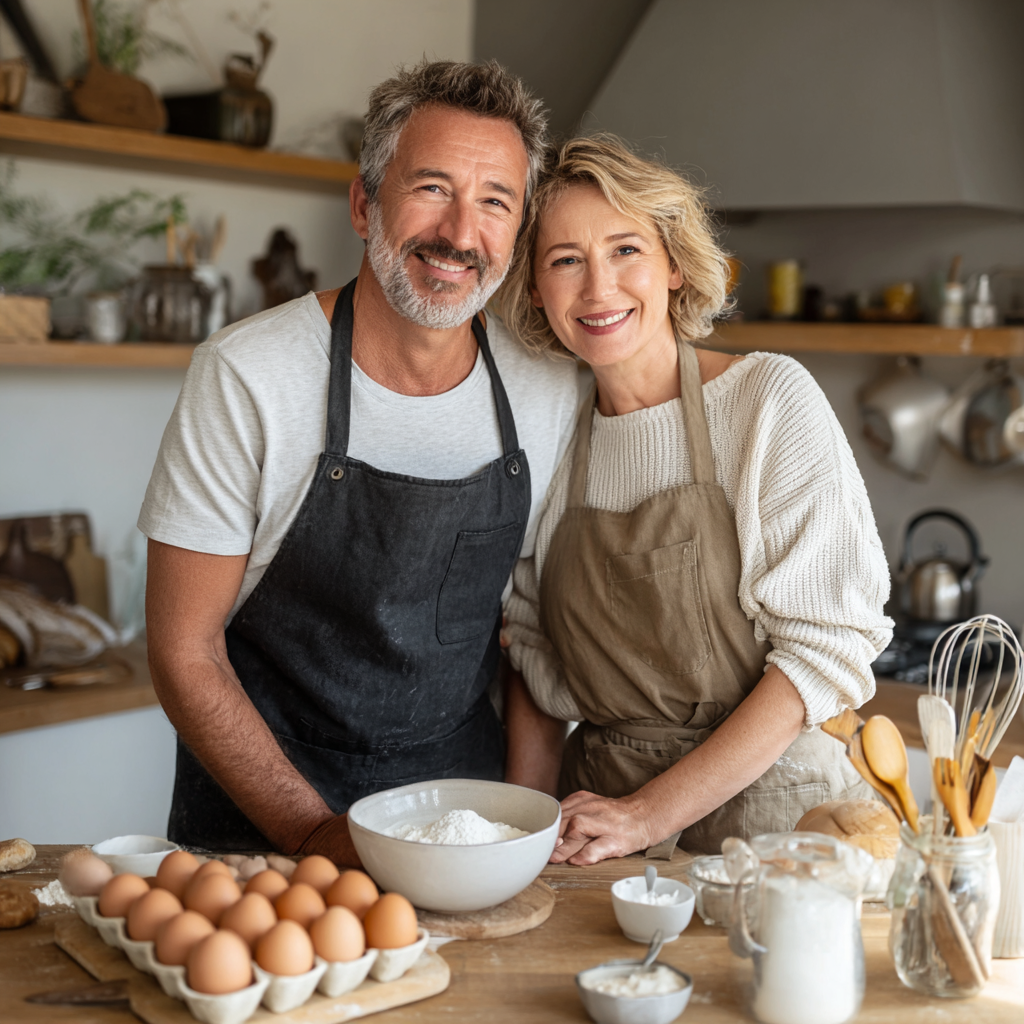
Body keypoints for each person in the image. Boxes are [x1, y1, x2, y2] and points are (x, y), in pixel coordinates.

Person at [139, 61, 582, 863]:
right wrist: (313, 832)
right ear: (363, 203)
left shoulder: (548, 388)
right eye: (431, 188)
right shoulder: (248, 375)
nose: (459, 233)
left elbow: (534, 638)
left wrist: (519, 829)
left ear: (517, 235)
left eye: (495, 202)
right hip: (260, 836)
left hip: (462, 827)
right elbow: (182, 651)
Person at [499, 136, 893, 864]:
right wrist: (523, 836)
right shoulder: (547, 434)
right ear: (532, 287)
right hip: (599, 827)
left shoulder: (767, 401)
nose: (598, 289)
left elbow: (821, 655)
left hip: (779, 822)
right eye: (564, 260)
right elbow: (526, 646)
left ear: (674, 264)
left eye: (626, 250)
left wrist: (647, 816)